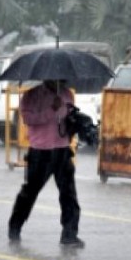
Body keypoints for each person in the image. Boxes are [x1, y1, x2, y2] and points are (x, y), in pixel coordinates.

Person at [8, 80, 84, 248]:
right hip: (40, 151)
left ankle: (69, 234)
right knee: (30, 192)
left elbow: (69, 116)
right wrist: (51, 110)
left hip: (62, 149)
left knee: (69, 195)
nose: (60, 80)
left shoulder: (66, 93)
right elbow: (28, 118)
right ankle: (15, 227)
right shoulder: (32, 95)